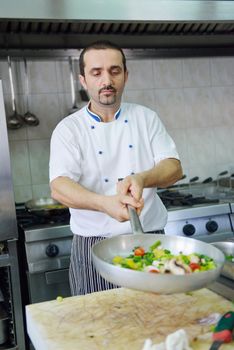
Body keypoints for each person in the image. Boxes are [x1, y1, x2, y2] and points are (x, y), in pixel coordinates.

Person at [49, 41, 183, 296]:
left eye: (114, 71)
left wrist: (143, 177)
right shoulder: (69, 129)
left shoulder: (146, 118)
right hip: (94, 246)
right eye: (96, 72)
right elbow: (59, 187)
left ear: (125, 76)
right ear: (83, 80)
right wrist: (105, 204)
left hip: (150, 238)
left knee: (156, 319)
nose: (106, 80)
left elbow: (173, 168)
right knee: (98, 328)